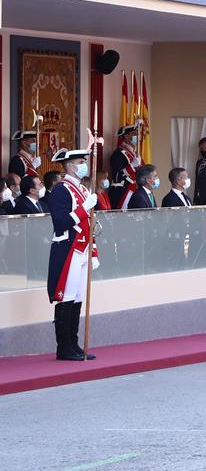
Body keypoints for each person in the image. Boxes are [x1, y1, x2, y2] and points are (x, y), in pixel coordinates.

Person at [46, 148, 99, 361]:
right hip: (68, 248)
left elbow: (89, 224)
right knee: (66, 297)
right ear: (69, 165)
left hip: (83, 248)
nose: (84, 164)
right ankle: (63, 348)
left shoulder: (83, 190)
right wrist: (85, 208)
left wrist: (94, 251)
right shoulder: (61, 190)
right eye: (80, 161)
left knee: (77, 297)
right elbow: (60, 222)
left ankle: (74, 344)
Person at [109, 124, 141, 209]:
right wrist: (131, 166)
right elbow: (116, 177)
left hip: (134, 192)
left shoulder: (135, 154)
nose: (138, 136)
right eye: (134, 134)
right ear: (126, 136)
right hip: (122, 193)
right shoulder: (118, 154)